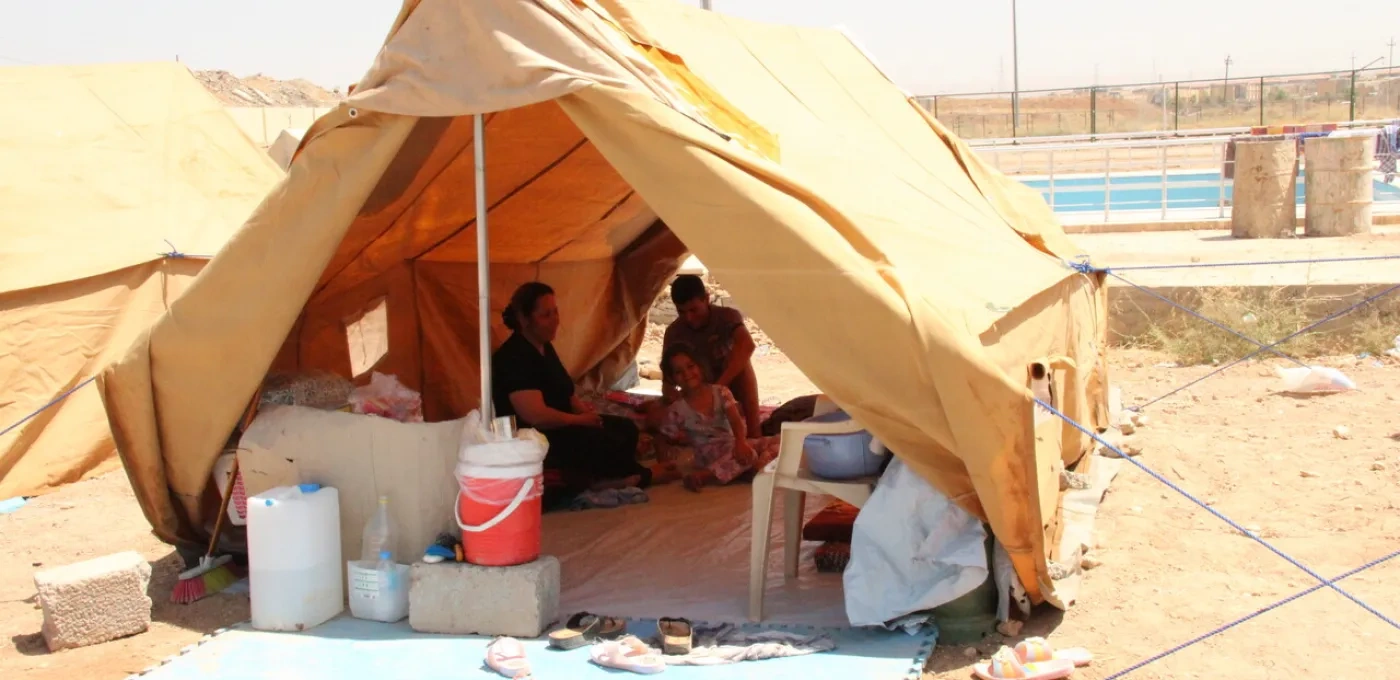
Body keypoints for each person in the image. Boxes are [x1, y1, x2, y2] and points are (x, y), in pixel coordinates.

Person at [491, 282, 666, 498]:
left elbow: (565, 389)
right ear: (524, 320)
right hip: (537, 437)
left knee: (625, 429)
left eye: (555, 311)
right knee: (601, 441)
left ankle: (617, 474)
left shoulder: (544, 346)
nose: (555, 319)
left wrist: (584, 411)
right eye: (546, 315)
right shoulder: (513, 358)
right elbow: (536, 416)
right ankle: (629, 477)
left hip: (564, 424)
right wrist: (578, 420)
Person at [658, 344, 779, 491]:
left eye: (691, 366)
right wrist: (663, 463)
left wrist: (741, 442)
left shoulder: (721, 392)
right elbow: (662, 437)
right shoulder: (677, 409)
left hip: (732, 444)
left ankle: (752, 470)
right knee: (751, 455)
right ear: (672, 379)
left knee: (780, 442)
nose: (687, 373)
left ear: (700, 366)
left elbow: (736, 421)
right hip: (708, 455)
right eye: (679, 372)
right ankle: (704, 476)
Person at [661, 275, 762, 434]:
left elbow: (747, 345)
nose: (689, 318)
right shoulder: (674, 332)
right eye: (682, 312)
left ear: (706, 299)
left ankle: (755, 430)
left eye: (694, 310)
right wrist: (678, 401)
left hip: (726, 383)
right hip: (695, 389)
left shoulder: (727, 316)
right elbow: (667, 382)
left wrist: (717, 389)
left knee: (743, 367)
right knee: (656, 414)